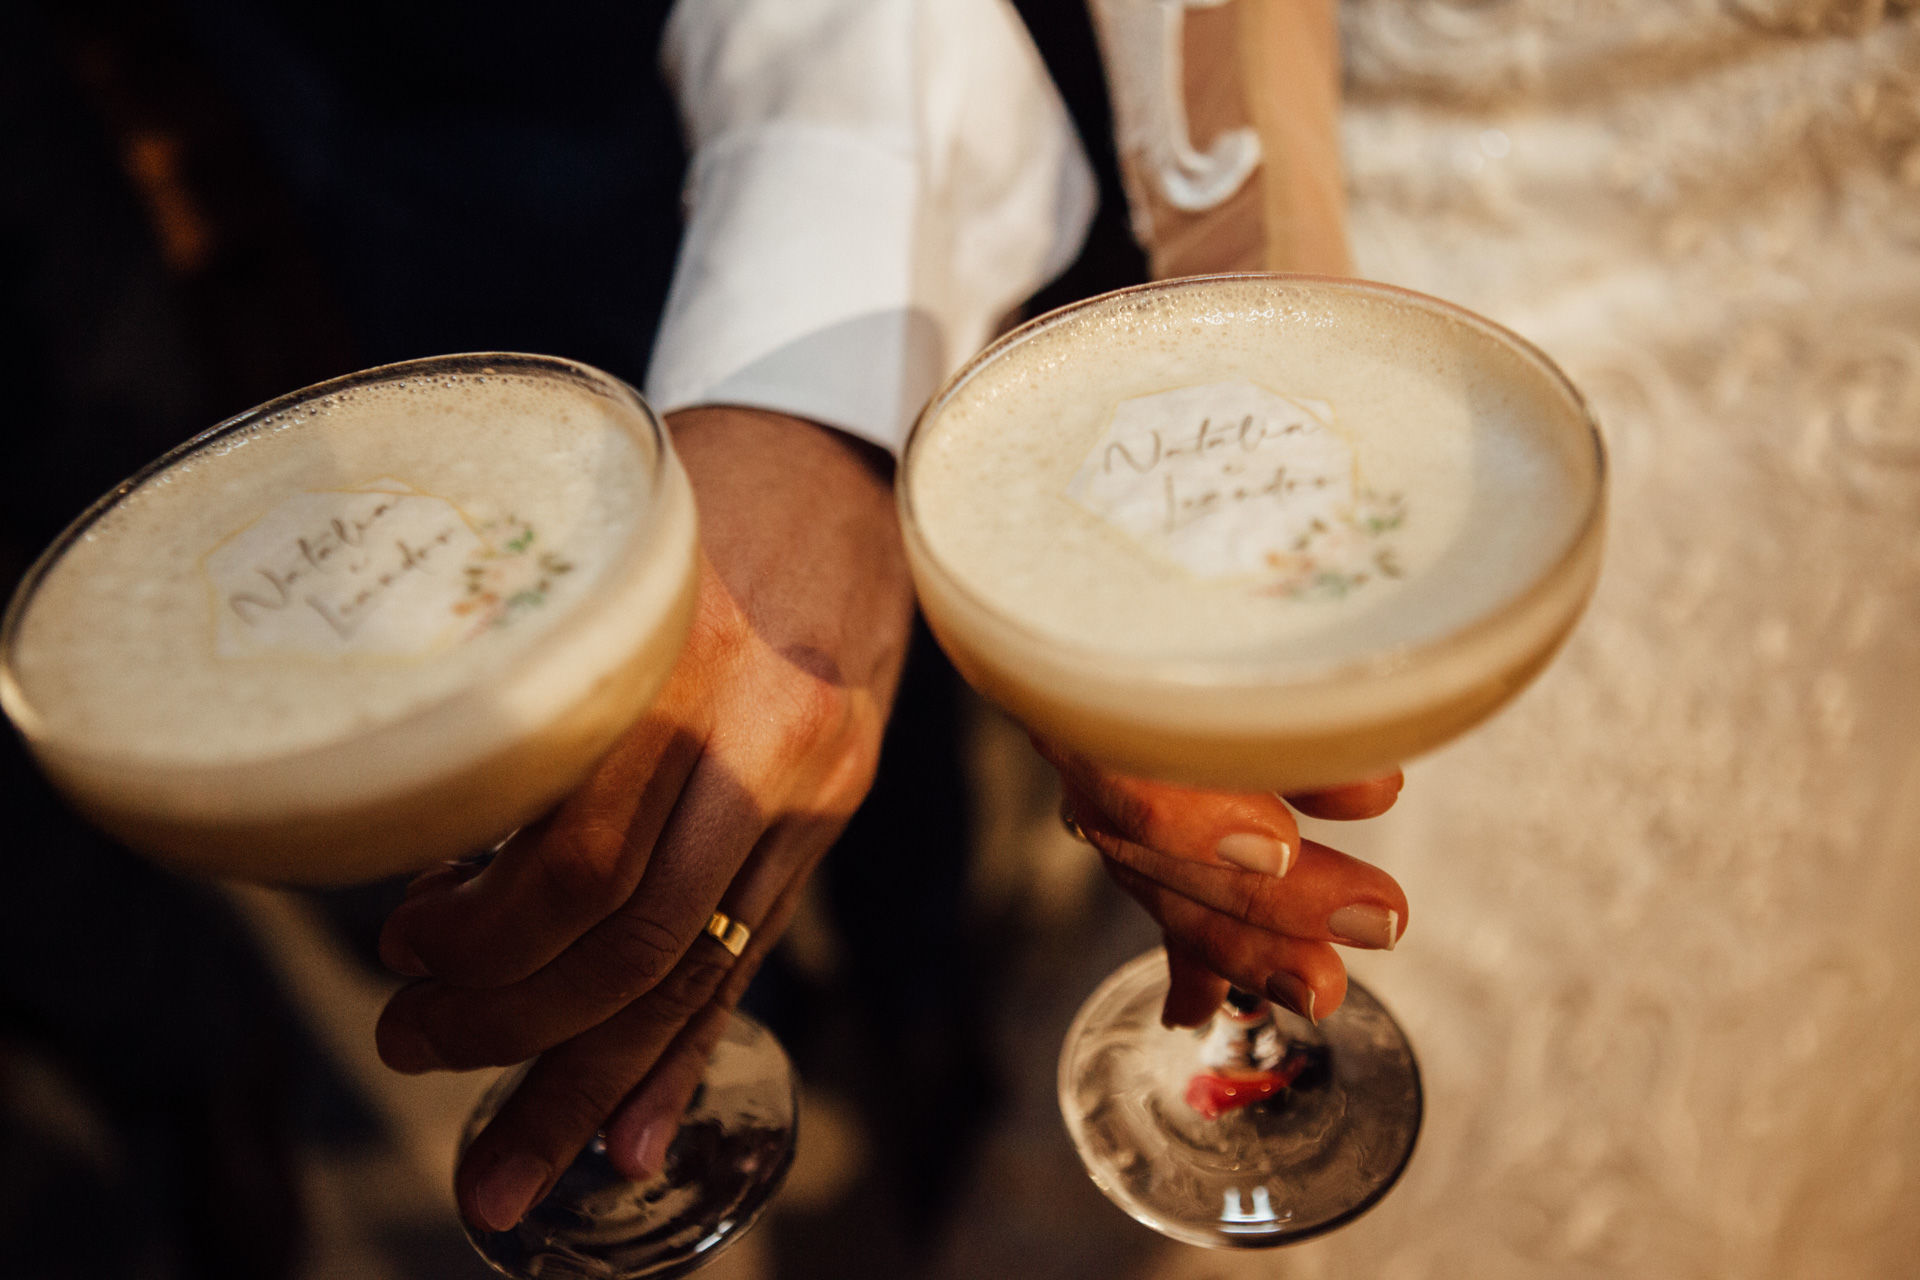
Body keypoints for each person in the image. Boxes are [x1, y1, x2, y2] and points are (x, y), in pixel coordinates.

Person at [363, 0, 1415, 1237]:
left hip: (1440, 257)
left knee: (866, 784)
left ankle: (919, 1013)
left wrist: (1274, 370)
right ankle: (849, 1011)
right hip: (398, 141)